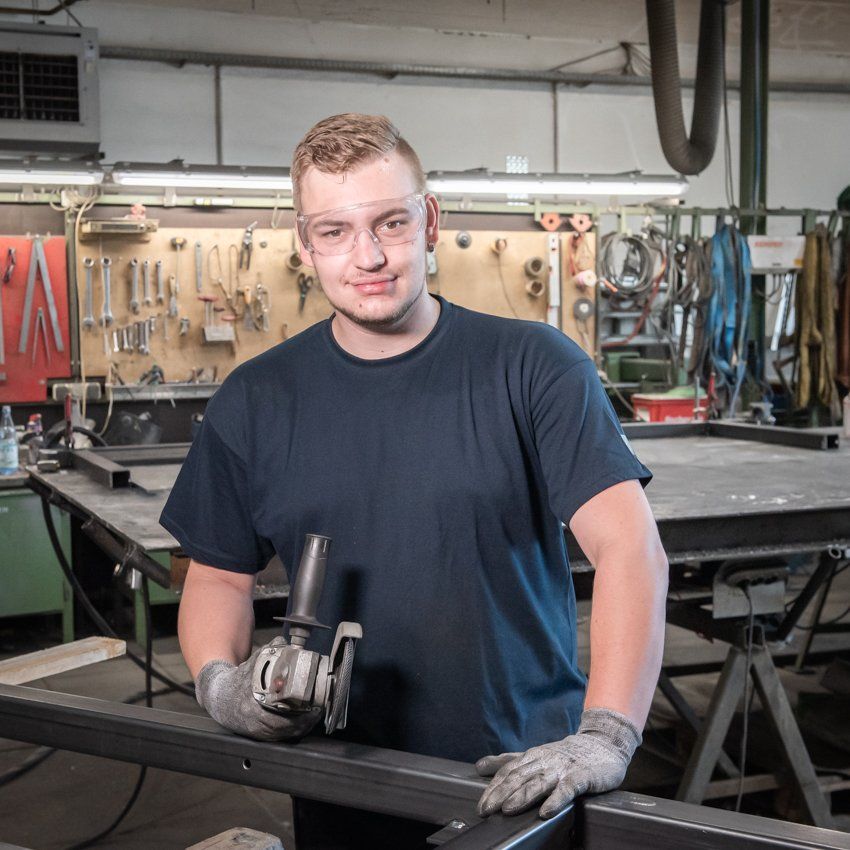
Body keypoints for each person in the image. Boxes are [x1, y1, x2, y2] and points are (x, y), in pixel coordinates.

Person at [160, 113, 668, 849]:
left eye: (390, 223)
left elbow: (631, 550)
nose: (367, 256)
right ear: (304, 244)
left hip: (521, 786)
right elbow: (217, 577)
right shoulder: (255, 399)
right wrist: (220, 684)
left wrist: (606, 735)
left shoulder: (534, 368)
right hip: (340, 786)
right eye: (335, 231)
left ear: (429, 221)